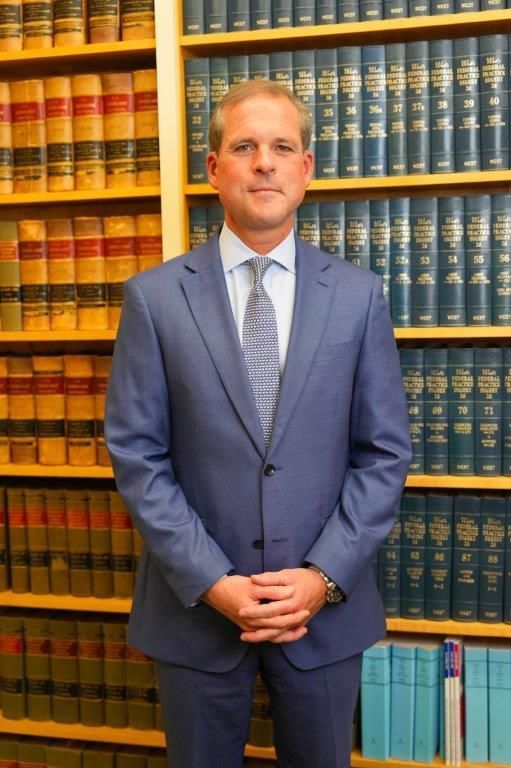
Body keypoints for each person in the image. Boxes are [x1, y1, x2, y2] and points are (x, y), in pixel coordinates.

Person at [105, 79, 412, 768]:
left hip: (323, 614)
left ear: (305, 167)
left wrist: (321, 577)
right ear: (214, 169)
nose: (263, 162)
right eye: (243, 146)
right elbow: (137, 456)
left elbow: (383, 453)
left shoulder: (358, 297)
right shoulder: (154, 299)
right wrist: (212, 580)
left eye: (280, 147)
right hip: (195, 612)